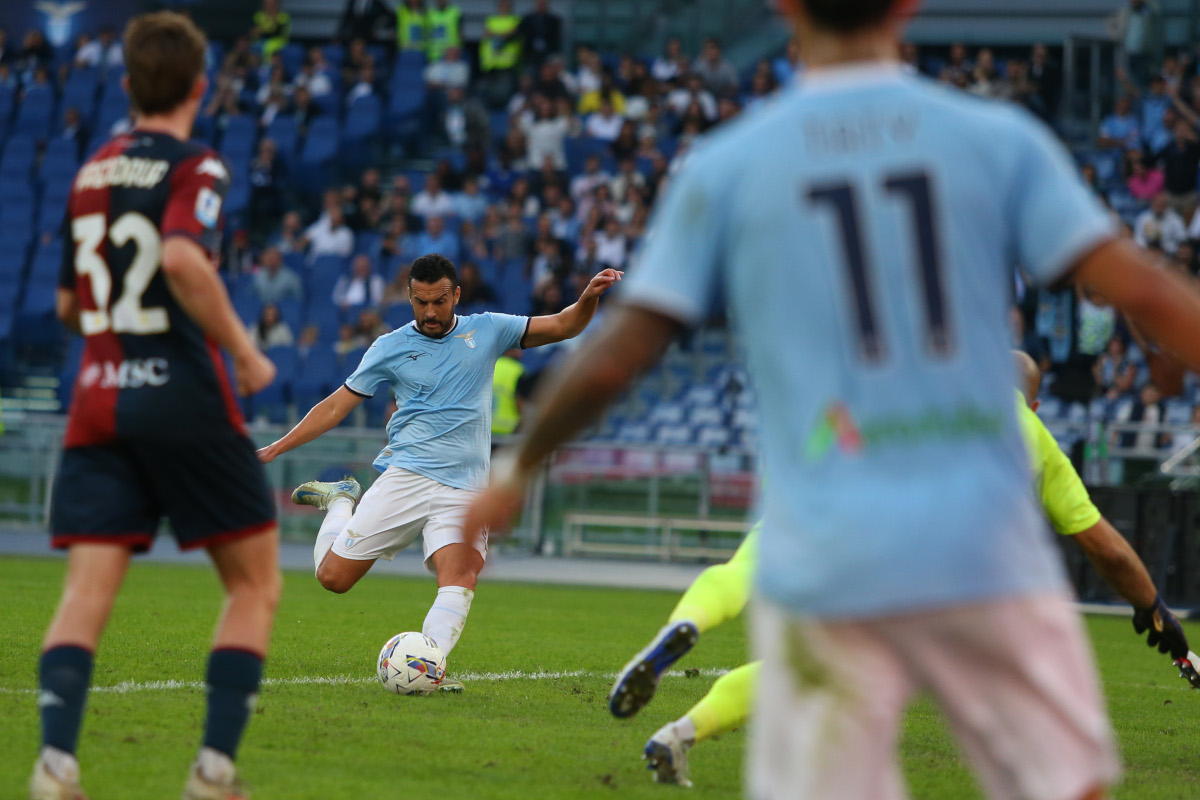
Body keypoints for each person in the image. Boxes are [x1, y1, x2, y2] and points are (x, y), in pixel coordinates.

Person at [461, 0, 1200, 798]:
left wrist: (516, 471)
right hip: (979, 544)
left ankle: (691, 660)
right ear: (909, 6)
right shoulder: (995, 139)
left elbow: (616, 357)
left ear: (783, 7)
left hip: (831, 539)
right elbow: (1145, 292)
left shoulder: (729, 163)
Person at [616, 351, 1197, 788]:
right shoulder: (1035, 439)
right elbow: (1107, 549)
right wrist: (1154, 609)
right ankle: (680, 734)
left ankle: (683, 644)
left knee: (746, 567)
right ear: (1034, 403)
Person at [34, 13, 278, 800]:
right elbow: (179, 257)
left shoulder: (91, 171)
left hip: (98, 400)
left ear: (127, 84)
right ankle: (213, 773)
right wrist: (243, 349)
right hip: (178, 396)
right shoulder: (197, 165)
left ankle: (54, 767)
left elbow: (71, 307)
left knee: (85, 593)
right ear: (201, 88)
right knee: (253, 584)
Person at [255, 255, 621, 689]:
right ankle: (340, 500)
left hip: (465, 487)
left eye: (440, 302)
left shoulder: (487, 329)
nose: (430, 312)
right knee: (333, 579)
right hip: (406, 475)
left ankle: (428, 670)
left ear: (456, 296)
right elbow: (336, 405)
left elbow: (564, 325)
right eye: (420, 302)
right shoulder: (389, 346)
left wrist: (587, 299)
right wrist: (280, 446)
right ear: (410, 297)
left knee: (461, 575)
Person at [492, 348, 525, 438]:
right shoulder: (518, 370)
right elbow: (521, 401)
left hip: (482, 426)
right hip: (508, 430)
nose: (520, 352)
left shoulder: (487, 366)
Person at [519, 0, 562, 69]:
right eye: (539, 4)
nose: (541, 6)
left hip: (548, 53)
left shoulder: (554, 20)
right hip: (530, 54)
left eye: (543, 4)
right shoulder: (527, 19)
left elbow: (556, 37)